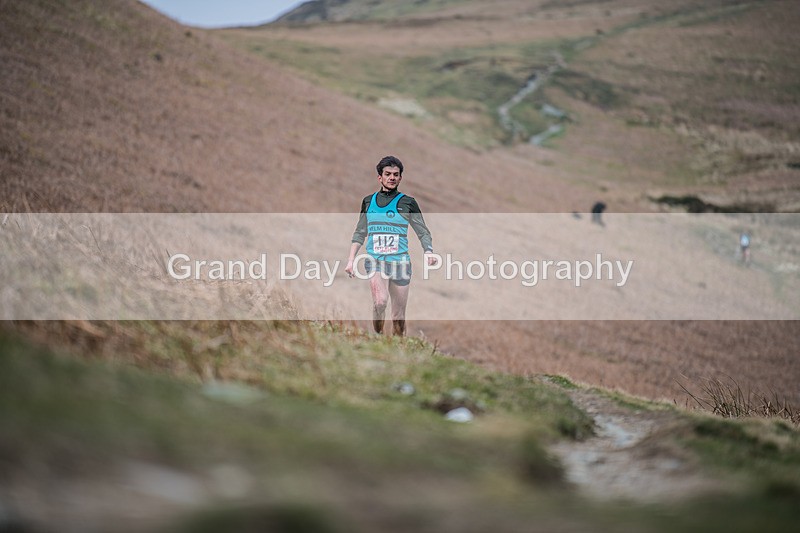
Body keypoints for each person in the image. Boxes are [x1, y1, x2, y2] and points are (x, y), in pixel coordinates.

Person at [345, 156, 436, 336]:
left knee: (398, 316)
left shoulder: (408, 203)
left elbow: (423, 231)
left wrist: (429, 251)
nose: (392, 177)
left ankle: (397, 349)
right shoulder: (368, 202)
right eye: (387, 174)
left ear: (400, 178)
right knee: (380, 302)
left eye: (396, 174)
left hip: (401, 264)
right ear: (380, 177)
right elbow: (360, 232)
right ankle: (378, 337)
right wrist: (351, 260)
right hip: (375, 261)